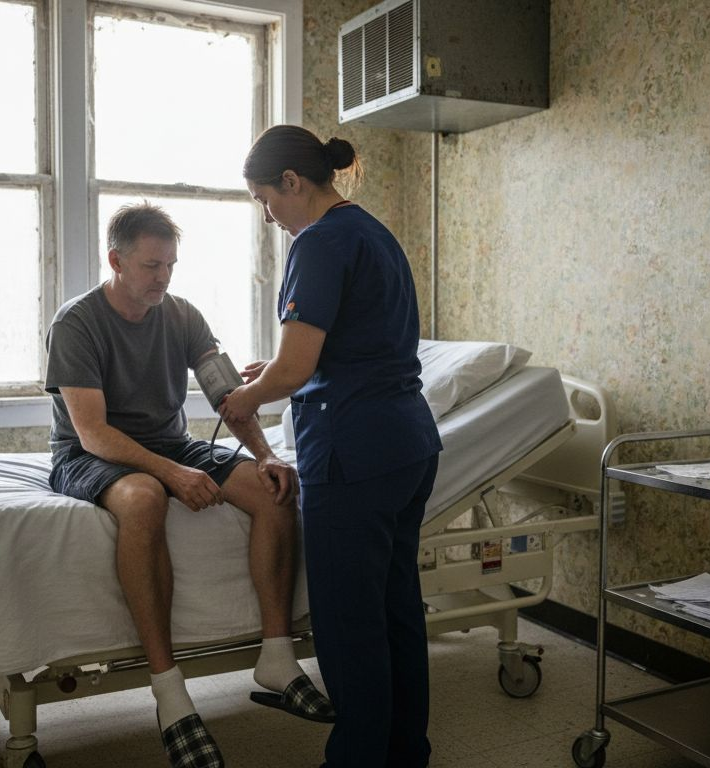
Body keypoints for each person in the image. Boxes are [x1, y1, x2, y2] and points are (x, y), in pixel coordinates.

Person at [45, 202, 334, 768]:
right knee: (144, 497)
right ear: (116, 260)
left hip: (170, 442)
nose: (163, 277)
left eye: (171, 265)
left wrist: (269, 454)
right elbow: (93, 432)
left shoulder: (182, 315)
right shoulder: (76, 323)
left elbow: (229, 395)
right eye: (152, 265)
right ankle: (169, 693)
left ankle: (276, 656)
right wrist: (172, 473)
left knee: (275, 488)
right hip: (89, 451)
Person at [219, 126, 443, 768]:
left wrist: (248, 398)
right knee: (397, 608)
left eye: (266, 200)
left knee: (349, 626)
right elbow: (346, 347)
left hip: (354, 453)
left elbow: (292, 374)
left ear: (292, 183)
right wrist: (283, 371)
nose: (269, 216)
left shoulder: (317, 243)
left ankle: (356, 759)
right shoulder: (372, 231)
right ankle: (405, 753)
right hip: (406, 443)